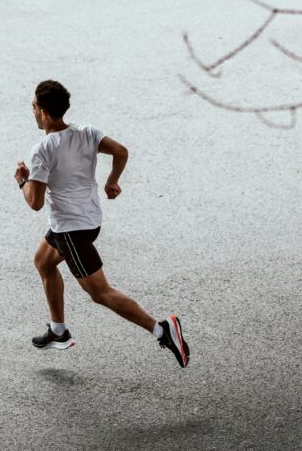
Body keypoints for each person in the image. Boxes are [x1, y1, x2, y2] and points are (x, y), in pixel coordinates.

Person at [13, 80, 189, 368]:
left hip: (70, 230)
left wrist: (22, 179)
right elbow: (121, 151)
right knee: (43, 262)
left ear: (43, 113)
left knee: (100, 293)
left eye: (33, 106)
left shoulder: (43, 150)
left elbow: (35, 202)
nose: (32, 111)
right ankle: (59, 331)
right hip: (90, 221)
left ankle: (161, 329)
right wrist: (112, 181)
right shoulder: (87, 132)